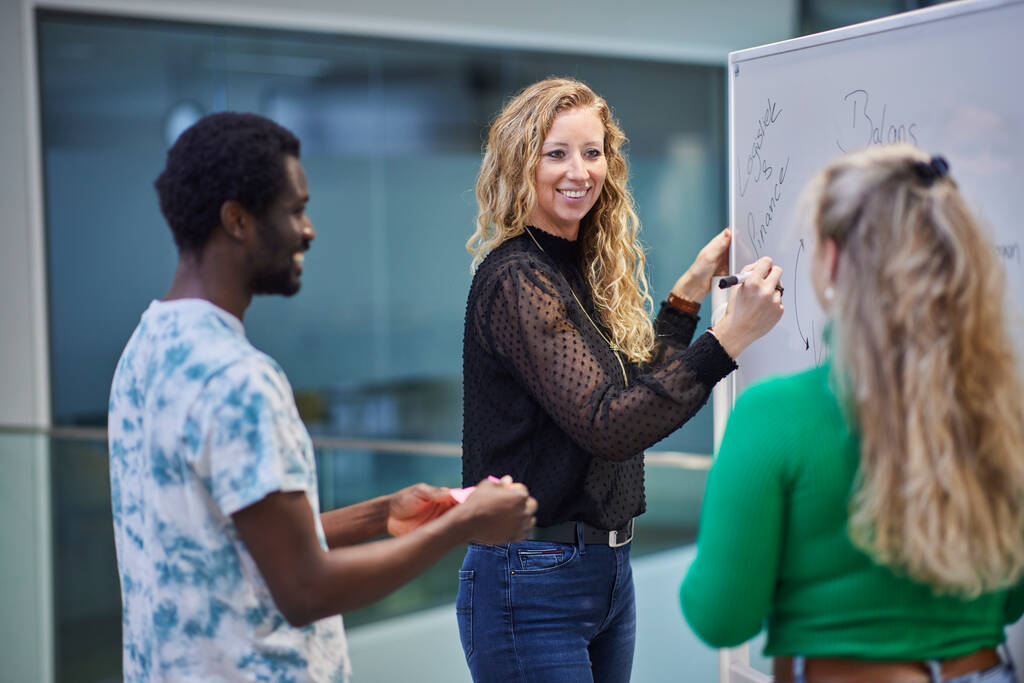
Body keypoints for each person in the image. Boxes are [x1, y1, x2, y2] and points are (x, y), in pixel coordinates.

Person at [107, 111, 538, 682]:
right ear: (237, 220)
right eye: (294, 210)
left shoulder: (147, 348)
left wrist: (381, 514)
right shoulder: (238, 380)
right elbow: (305, 588)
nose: (308, 230)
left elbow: (243, 539)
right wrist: (459, 527)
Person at [457, 77, 784, 681]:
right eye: (555, 153)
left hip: (604, 572)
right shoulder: (517, 279)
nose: (579, 170)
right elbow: (609, 427)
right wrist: (729, 340)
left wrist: (685, 299)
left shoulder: (573, 267)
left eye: (593, 151)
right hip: (530, 578)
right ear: (519, 162)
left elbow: (625, 394)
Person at [681, 144, 1024, 683]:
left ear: (835, 260)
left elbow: (721, 617)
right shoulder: (1004, 410)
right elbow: (1007, 602)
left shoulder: (773, 415)